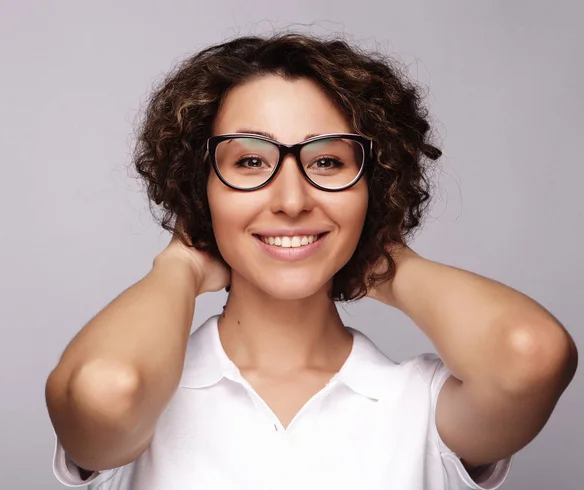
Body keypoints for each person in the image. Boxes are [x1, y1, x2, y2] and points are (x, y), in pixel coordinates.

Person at [45, 33, 578, 490]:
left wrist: (382, 259)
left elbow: (532, 356)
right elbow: (105, 391)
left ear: (374, 187)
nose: (293, 200)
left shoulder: (420, 408)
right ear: (200, 189)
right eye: (250, 161)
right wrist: (176, 270)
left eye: (327, 161)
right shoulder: (146, 397)